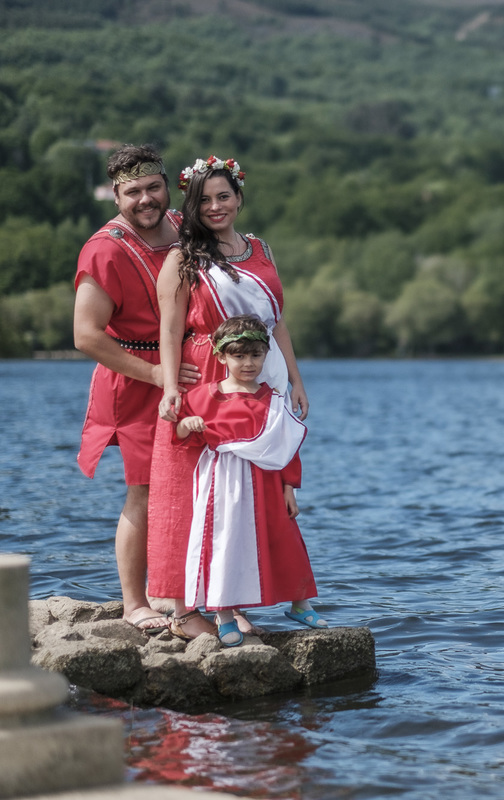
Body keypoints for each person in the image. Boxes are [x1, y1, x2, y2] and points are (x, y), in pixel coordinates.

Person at [148, 154, 309, 640]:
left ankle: (233, 597)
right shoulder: (184, 258)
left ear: (239, 197)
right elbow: (170, 328)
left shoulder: (261, 248)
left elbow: (276, 320)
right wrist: (170, 386)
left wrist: (296, 379)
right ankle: (183, 607)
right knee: (192, 488)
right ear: (192, 206)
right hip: (206, 375)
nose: (216, 206)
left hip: (260, 372)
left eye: (224, 196)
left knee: (252, 491)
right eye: (205, 200)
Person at [73, 144, 201, 632]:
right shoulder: (103, 249)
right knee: (145, 490)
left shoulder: (186, 229)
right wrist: (155, 375)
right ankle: (134, 603)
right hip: (135, 375)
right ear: (115, 196)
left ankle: (180, 594)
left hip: (188, 370)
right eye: (133, 192)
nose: (145, 199)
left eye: (153, 187)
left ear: (167, 187)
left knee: (198, 485)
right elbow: (86, 336)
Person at [172, 314, 323, 647]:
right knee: (224, 544)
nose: (248, 363)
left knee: (285, 539)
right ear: (221, 357)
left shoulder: (273, 399)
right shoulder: (203, 396)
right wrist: (187, 424)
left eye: (255, 355)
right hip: (222, 483)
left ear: (266, 355)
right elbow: (180, 435)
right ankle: (224, 615)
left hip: (266, 481)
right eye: (239, 356)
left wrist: (289, 487)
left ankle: (301, 604)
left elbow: (286, 446)